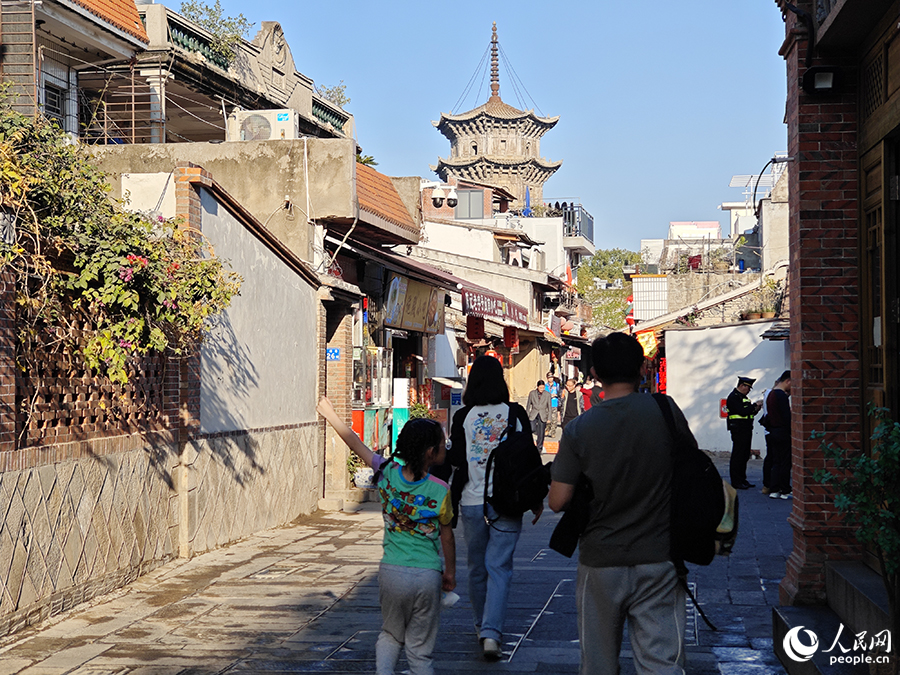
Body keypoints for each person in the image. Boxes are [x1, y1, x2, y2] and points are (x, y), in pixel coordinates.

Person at [549, 333, 687, 675]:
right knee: (660, 663)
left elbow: (557, 501)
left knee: (598, 662)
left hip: (601, 560)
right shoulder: (666, 412)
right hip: (659, 556)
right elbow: (689, 468)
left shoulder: (580, 428)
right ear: (642, 368)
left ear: (594, 373)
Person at [317, 398, 456, 675]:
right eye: (442, 443)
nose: (445, 445)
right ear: (431, 452)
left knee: (391, 634)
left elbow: (354, 443)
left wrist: (329, 413)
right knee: (420, 649)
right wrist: (449, 574)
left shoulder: (387, 473)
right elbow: (447, 536)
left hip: (391, 571)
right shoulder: (440, 490)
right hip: (427, 575)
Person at [438, 355, 543, 660]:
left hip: (472, 502)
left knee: (477, 569)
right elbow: (529, 460)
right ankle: (491, 634)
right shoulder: (515, 413)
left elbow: (456, 459)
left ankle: (480, 625)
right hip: (507, 502)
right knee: (500, 568)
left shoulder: (464, 416)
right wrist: (536, 498)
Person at [726, 376, 762, 489]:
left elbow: (748, 413)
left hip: (746, 429)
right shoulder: (733, 397)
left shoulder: (743, 397)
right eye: (748, 388)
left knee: (744, 455)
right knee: (738, 455)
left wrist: (756, 409)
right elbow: (742, 411)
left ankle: (742, 479)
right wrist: (755, 405)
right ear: (742, 386)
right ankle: (736, 481)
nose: (749, 391)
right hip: (738, 429)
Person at [765, 371, 792, 499]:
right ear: (788, 381)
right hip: (783, 432)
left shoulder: (770, 394)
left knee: (776, 462)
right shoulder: (782, 396)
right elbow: (786, 417)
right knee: (785, 461)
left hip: (773, 431)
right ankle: (785, 490)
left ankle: (774, 489)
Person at [525, 380, 552, 452]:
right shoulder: (532, 393)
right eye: (540, 388)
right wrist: (526, 415)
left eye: (543, 388)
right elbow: (528, 405)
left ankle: (539, 447)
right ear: (537, 387)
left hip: (543, 414)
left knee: (541, 432)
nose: (542, 389)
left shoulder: (547, 394)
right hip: (534, 413)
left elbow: (549, 407)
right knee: (532, 428)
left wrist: (549, 418)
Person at [546, 373, 561, 437]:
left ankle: (553, 432)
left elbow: (560, 394)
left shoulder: (556, 385)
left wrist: (555, 395)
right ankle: (547, 429)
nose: (550, 379)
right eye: (549, 377)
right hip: (546, 404)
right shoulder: (545, 385)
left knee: (554, 419)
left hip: (554, 403)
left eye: (551, 377)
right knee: (547, 418)